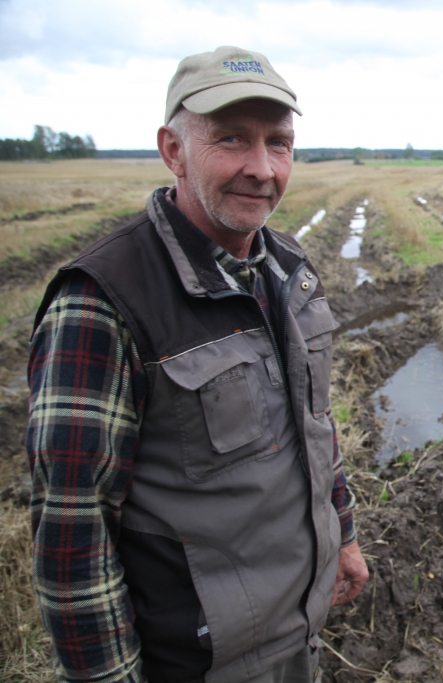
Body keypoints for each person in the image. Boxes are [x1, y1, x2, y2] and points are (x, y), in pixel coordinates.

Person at [26, 46, 368, 683]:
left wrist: (341, 536)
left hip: (297, 633)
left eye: (279, 143)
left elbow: (315, 426)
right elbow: (74, 534)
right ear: (173, 150)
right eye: (231, 139)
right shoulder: (102, 303)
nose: (261, 168)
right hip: (195, 662)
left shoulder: (288, 269)